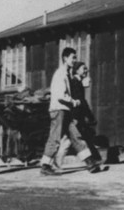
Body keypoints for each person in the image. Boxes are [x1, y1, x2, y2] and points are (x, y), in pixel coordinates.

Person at [40, 47, 100, 176]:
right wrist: (74, 101)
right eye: (73, 57)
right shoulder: (60, 74)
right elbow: (61, 95)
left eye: (75, 57)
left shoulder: (67, 74)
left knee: (76, 135)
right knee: (55, 138)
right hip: (59, 109)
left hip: (66, 110)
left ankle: (90, 162)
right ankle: (45, 166)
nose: (75, 60)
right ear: (65, 58)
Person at [54, 61, 100, 169]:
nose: (86, 71)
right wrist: (86, 116)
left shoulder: (77, 82)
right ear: (77, 70)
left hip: (75, 115)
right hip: (74, 115)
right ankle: (91, 162)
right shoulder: (75, 82)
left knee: (68, 140)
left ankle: (56, 162)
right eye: (84, 69)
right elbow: (80, 102)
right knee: (77, 138)